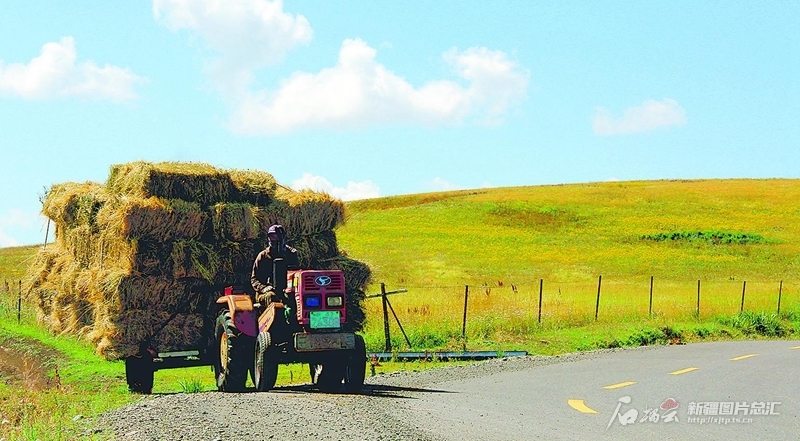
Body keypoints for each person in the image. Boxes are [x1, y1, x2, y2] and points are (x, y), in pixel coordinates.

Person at [251, 224, 299, 305]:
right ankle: (277, 317)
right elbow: (254, 279)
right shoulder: (263, 256)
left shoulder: (291, 254)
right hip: (266, 292)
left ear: (282, 237)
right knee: (272, 297)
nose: (273, 239)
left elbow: (296, 273)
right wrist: (264, 288)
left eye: (276, 236)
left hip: (287, 289)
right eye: (271, 236)